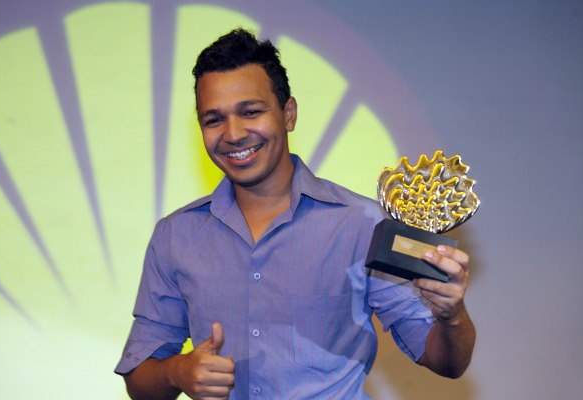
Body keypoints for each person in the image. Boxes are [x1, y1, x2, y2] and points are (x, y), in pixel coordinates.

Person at [115, 28, 475, 400]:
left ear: (288, 114)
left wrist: (452, 315)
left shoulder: (364, 225)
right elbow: (139, 379)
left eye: (250, 112)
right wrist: (177, 371)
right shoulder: (175, 236)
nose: (233, 134)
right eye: (213, 119)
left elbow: (446, 361)